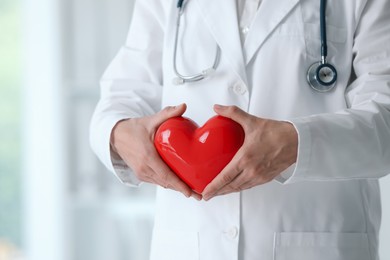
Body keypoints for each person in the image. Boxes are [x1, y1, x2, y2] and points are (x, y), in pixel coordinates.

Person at [90, 0, 390, 259]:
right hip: (192, 244)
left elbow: (384, 117)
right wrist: (119, 133)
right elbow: (122, 96)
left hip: (317, 242)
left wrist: (297, 143)